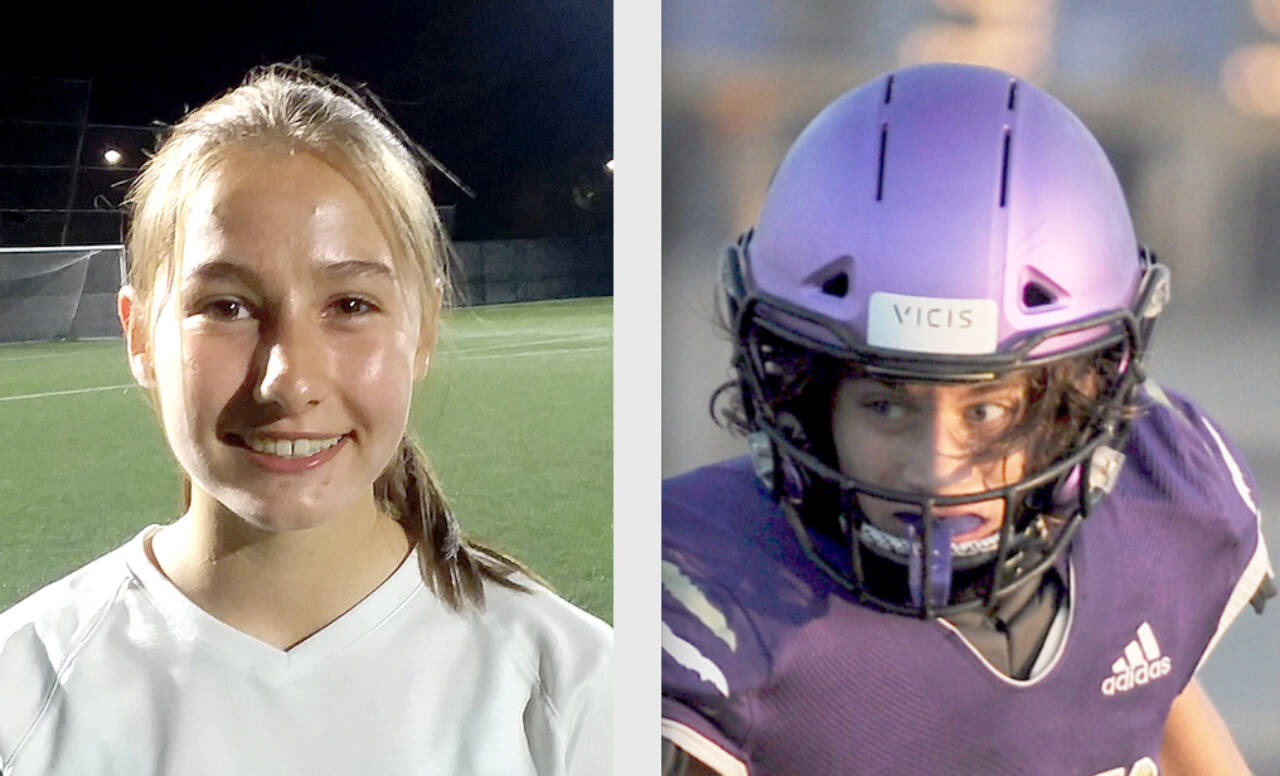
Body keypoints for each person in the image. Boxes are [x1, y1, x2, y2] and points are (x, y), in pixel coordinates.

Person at [661, 63, 1274, 776]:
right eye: (884, 404)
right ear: (803, 397)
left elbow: (1144, 694)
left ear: (1074, 403)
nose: (936, 470)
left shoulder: (1158, 514)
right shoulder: (717, 597)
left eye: (987, 410)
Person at [0, 64, 611, 776]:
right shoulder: (24, 691)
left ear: (423, 330)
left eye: (351, 305)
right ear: (140, 336)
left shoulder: (581, 693)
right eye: (225, 307)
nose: (289, 380)